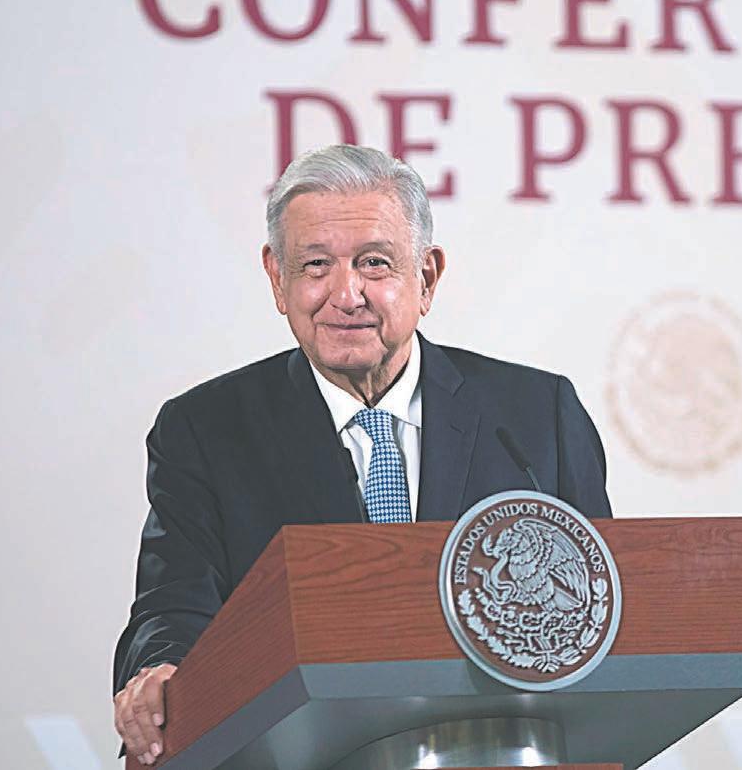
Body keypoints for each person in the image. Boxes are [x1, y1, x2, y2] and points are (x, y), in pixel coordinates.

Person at [111, 145, 612, 765]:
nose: (346, 295)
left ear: (426, 277)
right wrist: (163, 670)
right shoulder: (206, 430)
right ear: (277, 278)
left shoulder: (537, 416)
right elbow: (173, 604)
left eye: (375, 263)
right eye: (315, 265)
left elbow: (605, 610)